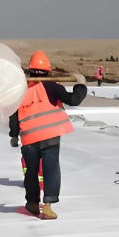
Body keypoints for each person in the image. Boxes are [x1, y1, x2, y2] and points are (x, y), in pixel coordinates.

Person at [9, 50, 87, 219]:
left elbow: (13, 113)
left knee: (31, 171)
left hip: (29, 138)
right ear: (48, 70)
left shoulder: (20, 89)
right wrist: (81, 84)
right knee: (51, 169)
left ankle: (32, 203)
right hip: (50, 136)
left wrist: (14, 135)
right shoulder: (51, 86)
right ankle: (48, 206)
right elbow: (73, 99)